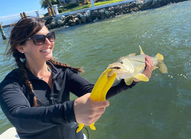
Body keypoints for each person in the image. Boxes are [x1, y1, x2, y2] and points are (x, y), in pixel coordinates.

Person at [0, 17, 154, 139]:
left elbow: (94, 93)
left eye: (50, 36)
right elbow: (19, 117)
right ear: (21, 47)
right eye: (39, 39)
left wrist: (130, 82)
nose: (48, 42)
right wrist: (71, 111)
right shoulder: (12, 83)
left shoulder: (63, 73)